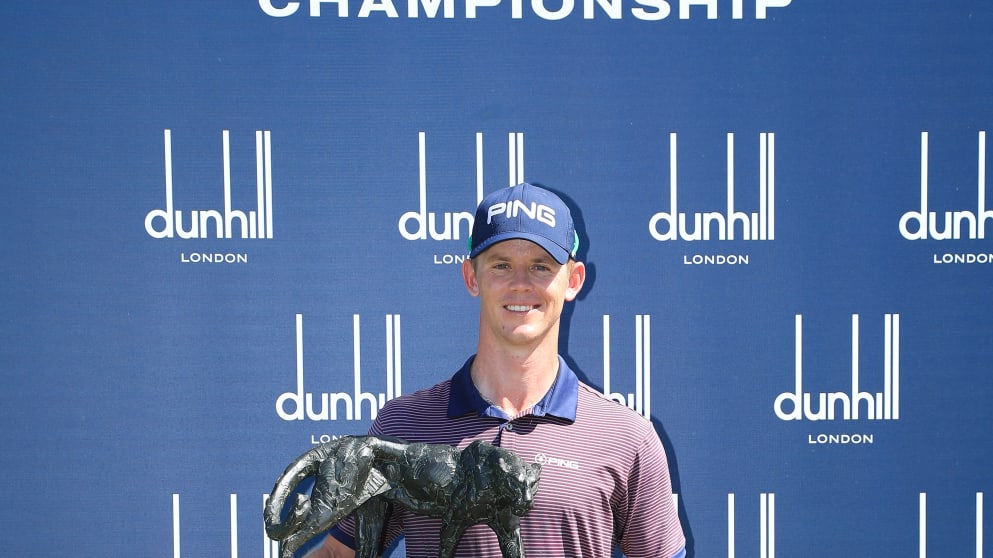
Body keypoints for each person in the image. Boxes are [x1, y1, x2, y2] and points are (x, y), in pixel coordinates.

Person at [305, 183, 686, 557]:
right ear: (472, 277)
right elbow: (339, 553)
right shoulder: (404, 424)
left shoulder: (626, 437)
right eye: (501, 265)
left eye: (540, 267)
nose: (520, 284)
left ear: (573, 281)